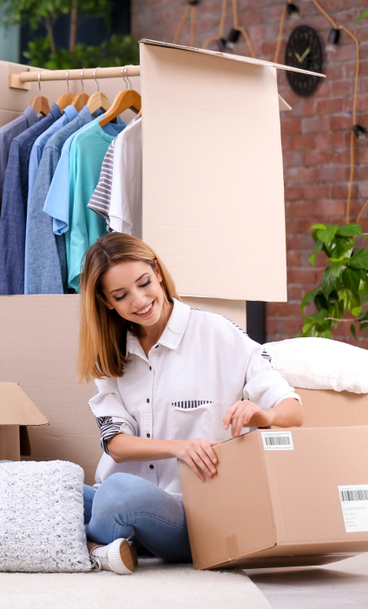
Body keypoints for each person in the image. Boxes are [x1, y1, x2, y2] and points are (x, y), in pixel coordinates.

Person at [76, 233, 303, 574]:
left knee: (119, 493)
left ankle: (89, 545)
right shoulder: (112, 355)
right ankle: (109, 545)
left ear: (158, 272)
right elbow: (116, 445)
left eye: (144, 283)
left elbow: (294, 410)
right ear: (107, 302)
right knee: (43, 484)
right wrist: (180, 447)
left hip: (192, 514)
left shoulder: (217, 334)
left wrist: (263, 413)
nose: (139, 301)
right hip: (114, 494)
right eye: (122, 295)